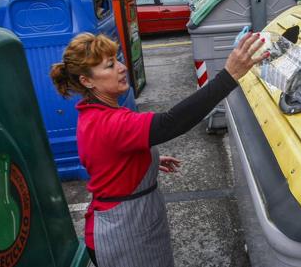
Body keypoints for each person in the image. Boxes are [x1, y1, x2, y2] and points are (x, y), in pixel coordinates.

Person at [49, 32, 268, 267]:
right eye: (110, 65)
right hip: (123, 230)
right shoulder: (107, 123)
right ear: (87, 81)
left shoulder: (96, 111)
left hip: (132, 218)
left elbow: (107, 156)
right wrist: (229, 76)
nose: (122, 68)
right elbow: (170, 123)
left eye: (118, 59)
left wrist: (146, 160)